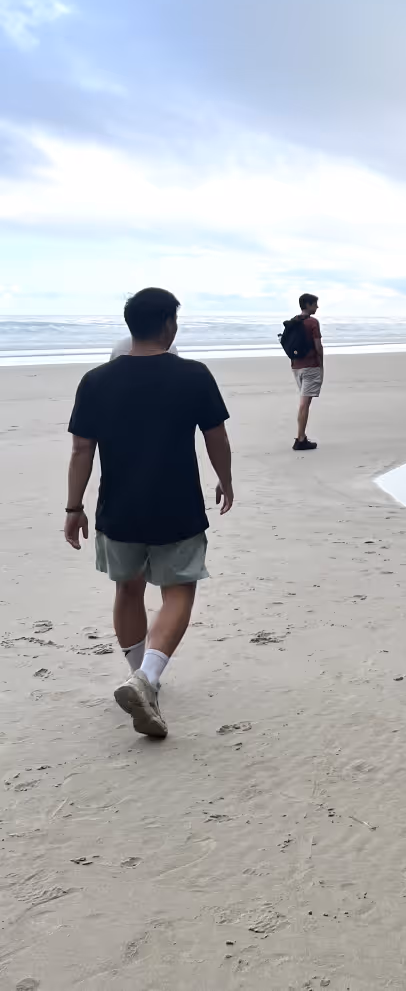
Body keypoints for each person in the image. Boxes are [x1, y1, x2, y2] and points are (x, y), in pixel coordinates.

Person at [65, 287, 233, 740]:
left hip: (118, 507)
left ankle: (139, 674)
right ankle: (147, 679)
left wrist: (73, 506)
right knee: (179, 589)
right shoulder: (194, 375)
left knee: (127, 589)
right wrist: (225, 479)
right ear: (168, 325)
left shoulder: (95, 380)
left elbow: (82, 448)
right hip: (176, 504)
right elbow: (214, 436)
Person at [289, 292, 323, 451]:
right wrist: (320, 365)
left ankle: (301, 436)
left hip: (296, 366)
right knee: (304, 404)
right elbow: (318, 346)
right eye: (315, 304)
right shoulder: (312, 322)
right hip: (310, 366)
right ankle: (300, 439)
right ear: (308, 305)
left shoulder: (294, 321)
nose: (317, 307)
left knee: (304, 402)